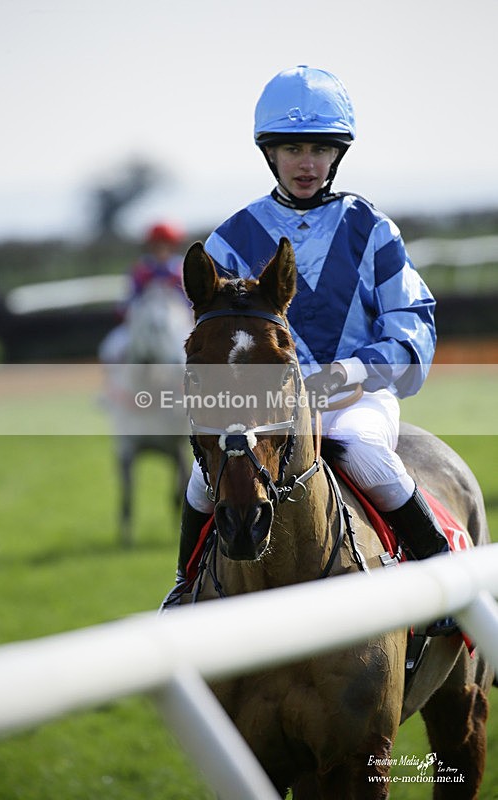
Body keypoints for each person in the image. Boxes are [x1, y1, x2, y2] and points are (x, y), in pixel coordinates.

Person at [165, 66, 454, 634]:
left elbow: (414, 326)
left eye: (320, 149)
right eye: (292, 148)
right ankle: (183, 590)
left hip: (355, 398)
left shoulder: (372, 230)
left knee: (367, 454)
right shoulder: (231, 238)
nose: (306, 162)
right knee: (205, 480)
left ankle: (447, 588)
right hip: (264, 408)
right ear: (269, 154)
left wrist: (353, 370)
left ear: (336, 155)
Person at [98, 221, 185, 364]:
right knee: (111, 349)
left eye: (166, 244)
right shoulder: (141, 270)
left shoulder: (181, 269)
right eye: (157, 244)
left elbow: (191, 302)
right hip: (140, 325)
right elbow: (128, 300)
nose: (161, 249)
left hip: (180, 326)